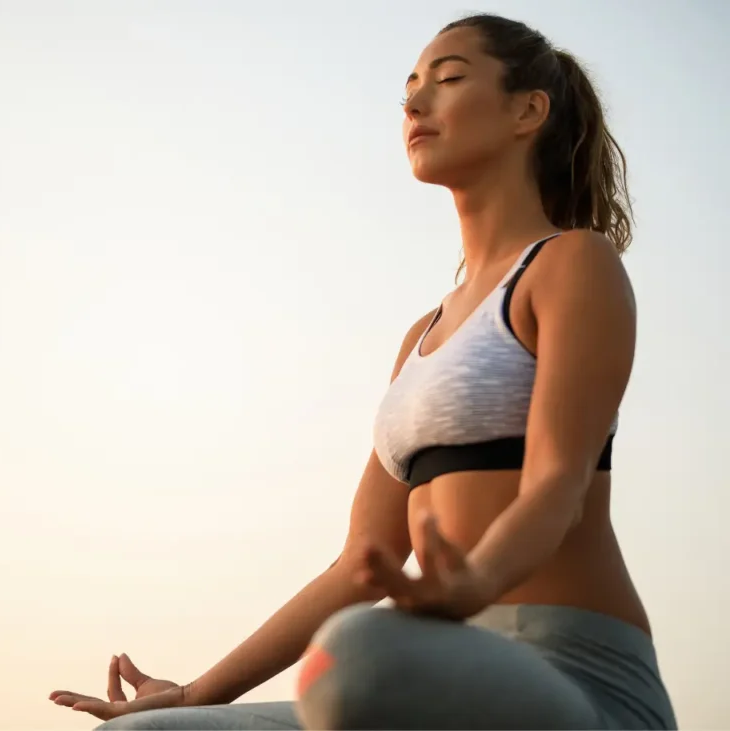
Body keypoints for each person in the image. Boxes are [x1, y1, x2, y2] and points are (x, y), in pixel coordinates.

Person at [49, 12, 678, 730]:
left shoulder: (572, 263)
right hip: (430, 666)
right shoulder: (423, 335)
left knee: (358, 654)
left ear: (527, 110)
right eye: (409, 88)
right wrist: (194, 692)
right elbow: (361, 562)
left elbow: (557, 487)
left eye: (448, 80)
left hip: (571, 672)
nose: (415, 104)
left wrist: (472, 585)